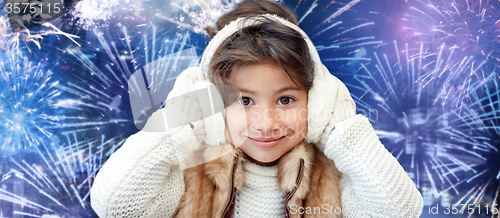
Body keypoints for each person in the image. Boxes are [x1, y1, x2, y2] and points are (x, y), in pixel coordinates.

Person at [90, 0, 424, 217]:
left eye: (286, 99)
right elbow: (115, 206)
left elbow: (400, 211)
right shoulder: (187, 173)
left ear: (318, 100)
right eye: (244, 100)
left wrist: (342, 129)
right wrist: (181, 118)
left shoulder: (338, 178)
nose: (266, 123)